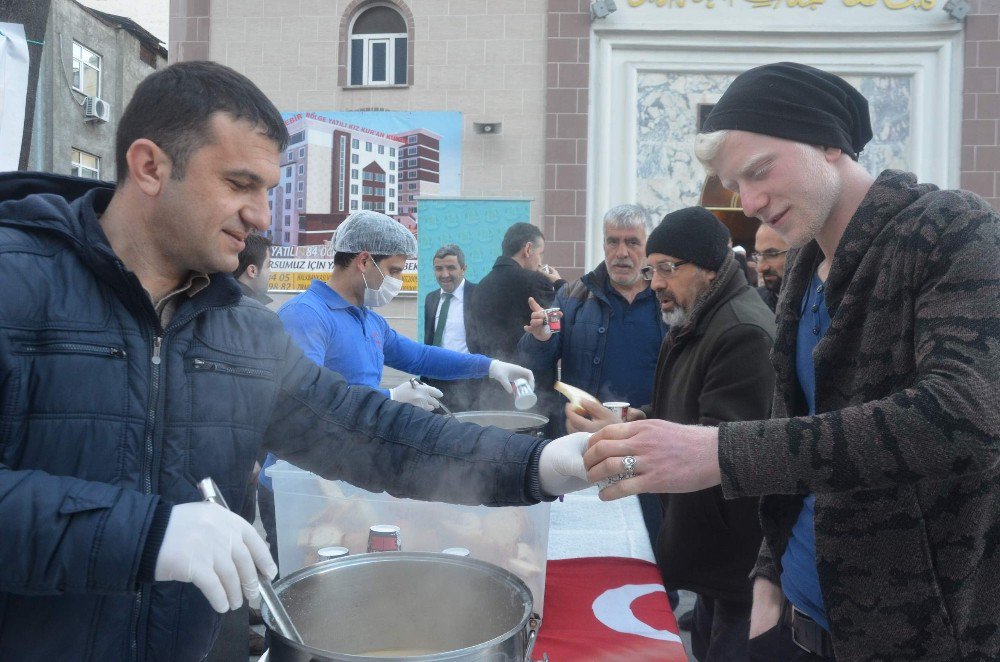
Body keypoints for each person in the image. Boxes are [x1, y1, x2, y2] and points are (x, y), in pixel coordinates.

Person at [0, 60, 592, 662]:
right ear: (150, 166)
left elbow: (368, 431)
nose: (261, 216)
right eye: (239, 184)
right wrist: (145, 534)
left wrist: (535, 464)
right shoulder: (15, 282)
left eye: (267, 191)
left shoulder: (240, 328)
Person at [584, 61, 1000, 660]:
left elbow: (963, 416)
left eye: (759, 172)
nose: (749, 203)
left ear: (829, 140)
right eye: (736, 188)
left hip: (917, 631)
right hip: (796, 614)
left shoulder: (952, 230)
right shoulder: (802, 270)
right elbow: (798, 434)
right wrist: (770, 568)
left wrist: (721, 452)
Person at [569, 207, 775, 662]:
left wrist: (625, 451)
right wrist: (624, 422)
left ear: (708, 268)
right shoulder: (694, 317)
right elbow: (675, 412)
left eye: (667, 269)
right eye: (652, 269)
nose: (655, 282)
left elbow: (722, 449)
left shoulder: (741, 332)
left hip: (735, 561)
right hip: (710, 554)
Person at [517, 204, 667, 546]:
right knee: (588, 545)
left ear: (647, 247)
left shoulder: (667, 302)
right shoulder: (572, 297)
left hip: (648, 447)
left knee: (654, 549)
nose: (622, 253)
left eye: (632, 242)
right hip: (584, 449)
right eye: (613, 242)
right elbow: (532, 362)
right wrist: (539, 339)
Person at [470, 222, 566, 407]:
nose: (540, 261)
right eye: (541, 253)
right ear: (528, 249)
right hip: (534, 393)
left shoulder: (480, 286)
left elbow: (472, 341)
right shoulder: (537, 281)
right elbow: (559, 326)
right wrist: (560, 285)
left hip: (493, 390)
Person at [422, 243, 485, 412]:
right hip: (436, 380)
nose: (444, 274)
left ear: (463, 269)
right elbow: (429, 340)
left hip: (469, 382)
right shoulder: (431, 299)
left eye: (451, 268)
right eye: (438, 269)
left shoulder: (479, 295)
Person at [752, 223, 789, 313]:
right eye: (758, 255)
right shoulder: (753, 303)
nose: (760, 268)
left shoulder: (821, 303)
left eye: (772, 254)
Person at [233, 232, 274, 305]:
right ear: (252, 271)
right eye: (268, 266)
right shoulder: (251, 311)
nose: (271, 273)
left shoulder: (219, 297)